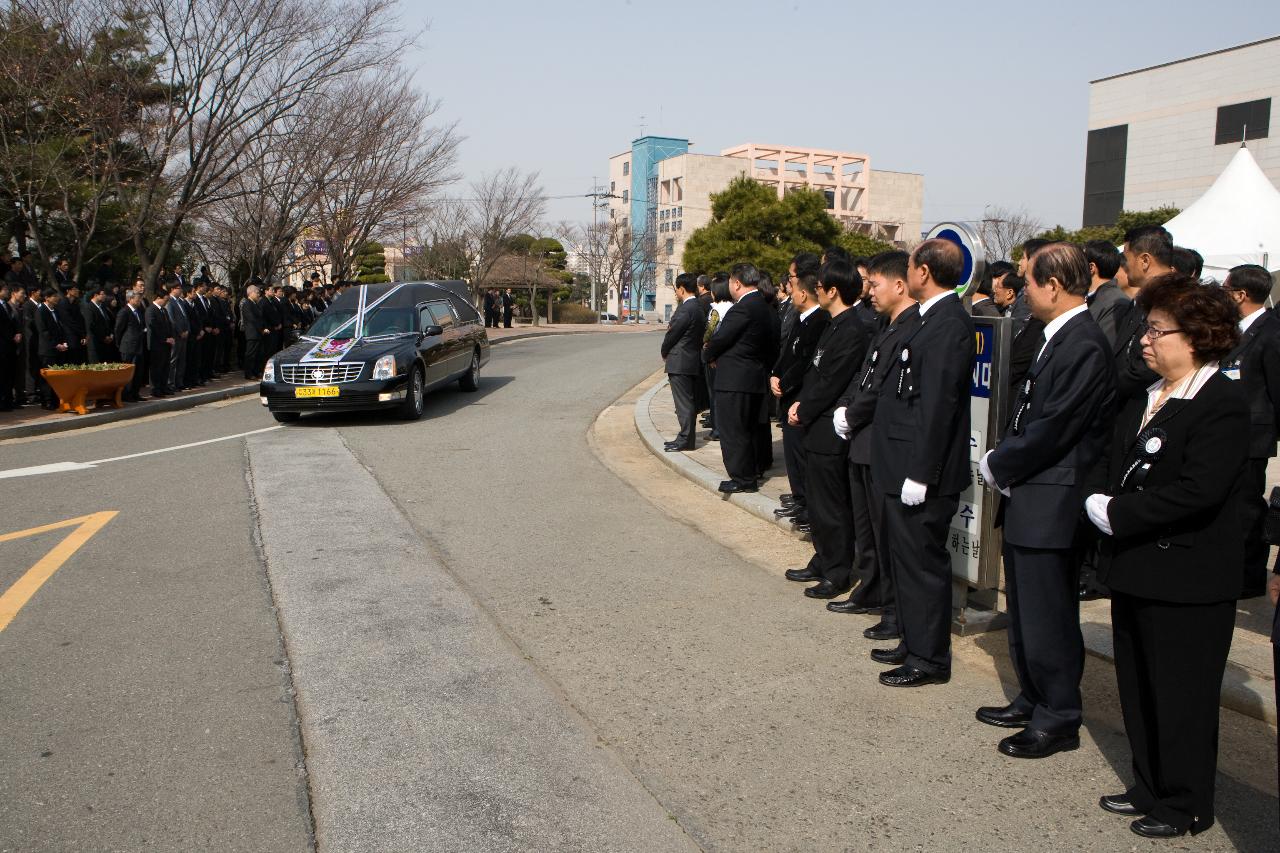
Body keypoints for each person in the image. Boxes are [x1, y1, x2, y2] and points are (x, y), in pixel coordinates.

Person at [1085, 274, 1247, 838]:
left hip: (1189, 575)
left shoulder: (1222, 403)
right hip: (1136, 568)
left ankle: (1185, 803)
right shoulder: (1146, 397)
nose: (1145, 341)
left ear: (1197, 336)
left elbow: (1200, 490)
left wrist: (1122, 514)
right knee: (1139, 685)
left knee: (1183, 696)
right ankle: (1149, 783)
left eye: (1156, 331)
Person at [976, 243, 1116, 759]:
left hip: (1052, 498)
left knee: (1049, 615)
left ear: (1053, 286)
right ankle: (1032, 696)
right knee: (1027, 610)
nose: (1022, 291)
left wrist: (1000, 463)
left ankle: (1058, 716)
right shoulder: (1056, 336)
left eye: (1029, 282)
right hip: (1031, 492)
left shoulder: (1082, 343)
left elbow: (1055, 427)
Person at [870, 239, 974, 687]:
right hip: (900, 463)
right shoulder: (928, 319)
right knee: (905, 562)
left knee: (922, 566)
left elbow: (938, 406)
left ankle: (928, 659)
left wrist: (921, 472)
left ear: (923, 273)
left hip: (920, 472)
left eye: (910, 266)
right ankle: (913, 642)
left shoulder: (949, 323)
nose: (908, 273)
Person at [828, 251, 920, 638]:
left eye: (875, 283)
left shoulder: (913, 327)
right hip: (860, 439)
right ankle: (869, 589)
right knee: (866, 526)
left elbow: (883, 384)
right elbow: (864, 375)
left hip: (880, 439)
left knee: (886, 534)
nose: (869, 292)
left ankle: (891, 607)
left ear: (899, 284)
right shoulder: (885, 325)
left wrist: (852, 413)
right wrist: (844, 406)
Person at [782, 258, 870, 598]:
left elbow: (832, 383)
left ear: (834, 290)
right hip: (814, 427)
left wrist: (804, 408)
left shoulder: (852, 330)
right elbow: (814, 373)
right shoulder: (832, 325)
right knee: (818, 503)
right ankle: (823, 557)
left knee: (832, 506)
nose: (814, 289)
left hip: (830, 431)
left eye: (820, 285)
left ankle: (838, 570)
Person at [1221, 264, 1280, 599]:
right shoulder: (1236, 329)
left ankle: (1250, 575)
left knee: (1248, 506)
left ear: (1241, 294)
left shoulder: (1270, 332)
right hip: (1231, 431)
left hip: (1253, 436)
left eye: (1227, 288)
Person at [702, 263, 780, 493]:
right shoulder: (765, 307)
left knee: (733, 431)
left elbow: (721, 338)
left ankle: (742, 477)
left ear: (737, 283)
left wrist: (708, 354)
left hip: (735, 380)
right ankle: (750, 472)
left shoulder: (744, 308)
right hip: (754, 376)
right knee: (748, 429)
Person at [771, 269, 829, 530]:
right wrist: (775, 374)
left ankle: (806, 503)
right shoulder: (800, 318)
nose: (788, 291)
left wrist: (784, 382)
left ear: (803, 292)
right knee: (792, 453)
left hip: (799, 395)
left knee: (801, 453)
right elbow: (787, 355)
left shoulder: (819, 321)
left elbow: (805, 360)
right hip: (786, 395)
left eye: (792, 287)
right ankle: (799, 498)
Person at [1114, 225, 1173, 399]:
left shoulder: (1172, 300)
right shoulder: (1141, 299)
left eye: (1126, 258)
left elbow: (1148, 369)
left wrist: (1103, 388)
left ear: (1145, 261)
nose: (1124, 266)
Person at [661, 273, 708, 452]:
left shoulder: (686, 308)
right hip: (690, 358)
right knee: (687, 403)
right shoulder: (697, 306)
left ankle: (686, 440)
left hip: (680, 360)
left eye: (677, 289)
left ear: (681, 289)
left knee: (684, 404)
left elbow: (673, 333)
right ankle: (684, 437)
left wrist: (664, 351)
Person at [701, 273, 733, 442]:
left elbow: (709, 333)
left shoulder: (716, 310)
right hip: (728, 358)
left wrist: (707, 348)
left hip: (714, 358)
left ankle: (717, 430)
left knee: (714, 395)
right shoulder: (733, 307)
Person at [1084, 240, 1129, 348]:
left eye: (1078, 263)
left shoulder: (1116, 304)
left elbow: (1102, 349)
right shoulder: (1089, 299)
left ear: (1091, 268)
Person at [35, 288, 70, 408]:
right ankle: (47, 401)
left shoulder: (56, 310)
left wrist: (64, 342)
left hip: (59, 349)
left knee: (58, 375)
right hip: (48, 349)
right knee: (48, 376)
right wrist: (56, 344)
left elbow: (61, 327)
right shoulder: (41, 311)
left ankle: (56, 399)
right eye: (54, 296)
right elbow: (43, 331)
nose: (57, 298)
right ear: (47, 298)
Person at [114, 290, 148, 402]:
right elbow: (118, 330)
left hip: (138, 346)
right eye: (137, 299)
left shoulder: (138, 311)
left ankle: (135, 393)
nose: (139, 301)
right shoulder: (124, 312)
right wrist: (120, 344)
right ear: (130, 299)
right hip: (128, 346)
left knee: (138, 371)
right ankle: (127, 394)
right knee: (129, 372)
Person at [146, 291, 175, 397]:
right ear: (158, 298)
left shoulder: (164, 310)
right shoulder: (151, 310)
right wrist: (164, 339)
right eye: (165, 299)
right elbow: (153, 327)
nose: (166, 302)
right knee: (156, 367)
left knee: (165, 366)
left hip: (166, 344)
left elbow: (169, 325)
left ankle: (163, 387)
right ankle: (155, 389)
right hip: (156, 344)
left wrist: (171, 337)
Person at [165, 281, 191, 391]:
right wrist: (180, 331)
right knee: (173, 360)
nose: (180, 290)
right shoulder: (169, 302)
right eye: (178, 288)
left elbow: (185, 317)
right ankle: (171, 383)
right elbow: (172, 320)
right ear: (172, 289)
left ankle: (180, 382)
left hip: (184, 335)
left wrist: (187, 330)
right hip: (176, 335)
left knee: (182, 360)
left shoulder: (180, 302)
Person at [240, 283, 269, 380]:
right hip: (252, 333)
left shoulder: (255, 304)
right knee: (251, 354)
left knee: (258, 354)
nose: (259, 294)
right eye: (257, 292)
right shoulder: (247, 304)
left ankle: (256, 371)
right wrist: (261, 329)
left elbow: (260, 318)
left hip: (258, 333)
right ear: (251, 293)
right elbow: (252, 319)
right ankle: (249, 373)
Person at [56, 284, 87, 364]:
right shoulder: (62, 303)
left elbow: (80, 319)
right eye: (75, 289)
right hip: (69, 337)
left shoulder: (75, 303)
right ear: (68, 291)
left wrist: (84, 334)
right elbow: (69, 322)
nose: (77, 291)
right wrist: (82, 333)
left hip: (78, 336)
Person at [83, 288, 116, 363]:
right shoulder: (89, 308)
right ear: (95, 295)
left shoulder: (102, 307)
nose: (105, 296)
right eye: (102, 294)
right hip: (95, 343)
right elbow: (91, 325)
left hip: (105, 343)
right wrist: (103, 337)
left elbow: (107, 322)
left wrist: (110, 334)